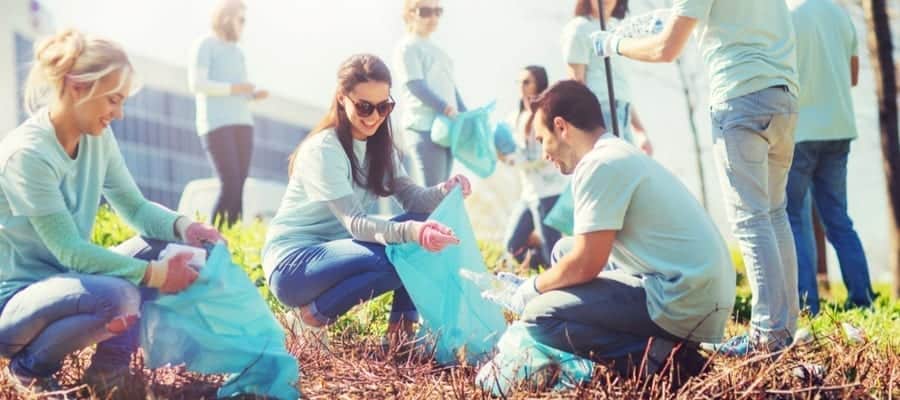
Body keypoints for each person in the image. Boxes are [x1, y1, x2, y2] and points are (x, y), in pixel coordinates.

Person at [0, 29, 223, 396]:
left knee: (177, 250)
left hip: (73, 281)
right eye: (112, 100)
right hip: (16, 304)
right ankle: (29, 370)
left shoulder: (97, 138)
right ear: (76, 86)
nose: (118, 114)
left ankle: (108, 376)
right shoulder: (27, 155)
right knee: (119, 296)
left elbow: (133, 206)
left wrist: (185, 228)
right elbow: (70, 250)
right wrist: (155, 274)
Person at [591, 0, 800, 355]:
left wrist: (612, 44)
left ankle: (766, 337)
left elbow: (665, 48)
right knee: (774, 214)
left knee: (751, 221)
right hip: (783, 97)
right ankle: (782, 330)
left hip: (740, 98)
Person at [509, 80, 734, 374]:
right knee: (563, 251)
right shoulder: (614, 152)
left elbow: (586, 264)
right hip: (695, 287)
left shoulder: (599, 165)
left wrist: (533, 287)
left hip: (683, 298)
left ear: (562, 127)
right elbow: (579, 254)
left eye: (542, 140)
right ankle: (652, 345)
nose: (544, 154)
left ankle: (663, 359)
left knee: (539, 317)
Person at [262, 54, 470, 345]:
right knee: (406, 249)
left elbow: (413, 200)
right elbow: (356, 223)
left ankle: (400, 336)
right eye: (364, 106)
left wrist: (444, 190)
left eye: (384, 107)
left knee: (419, 233)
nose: (374, 116)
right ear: (341, 98)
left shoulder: (380, 148)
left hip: (338, 255)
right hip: (293, 266)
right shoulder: (325, 149)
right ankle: (309, 317)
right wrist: (412, 234)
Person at [786, 0, 875, 315]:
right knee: (838, 219)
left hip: (800, 132)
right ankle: (863, 300)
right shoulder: (841, 14)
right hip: (839, 129)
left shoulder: (787, 15)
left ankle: (808, 306)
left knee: (794, 217)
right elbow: (852, 78)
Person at [188, 0, 268, 227]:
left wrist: (252, 95)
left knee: (239, 184)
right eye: (240, 19)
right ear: (226, 16)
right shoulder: (205, 44)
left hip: (243, 123)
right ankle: (213, 239)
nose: (243, 25)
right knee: (230, 183)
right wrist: (236, 89)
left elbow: (239, 90)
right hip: (216, 125)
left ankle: (232, 240)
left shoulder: (237, 52)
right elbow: (198, 84)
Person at [562, 0, 652, 155]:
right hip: (600, 113)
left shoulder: (618, 29)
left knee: (628, 173)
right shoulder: (579, 27)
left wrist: (640, 131)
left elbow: (620, 90)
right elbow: (576, 84)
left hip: (623, 112)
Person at [394, 0, 468, 186]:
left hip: (446, 127)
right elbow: (415, 85)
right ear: (410, 14)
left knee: (443, 192)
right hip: (423, 127)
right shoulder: (407, 47)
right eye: (425, 11)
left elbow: (450, 88)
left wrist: (465, 113)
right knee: (432, 193)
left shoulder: (438, 50)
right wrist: (445, 108)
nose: (433, 17)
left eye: (438, 11)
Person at [502, 66, 568, 269]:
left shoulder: (547, 114)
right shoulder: (515, 117)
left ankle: (560, 281)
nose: (522, 87)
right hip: (528, 193)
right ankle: (544, 269)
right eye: (519, 82)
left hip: (549, 192)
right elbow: (510, 150)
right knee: (512, 245)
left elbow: (548, 153)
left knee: (553, 253)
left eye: (527, 82)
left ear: (539, 83)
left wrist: (519, 161)